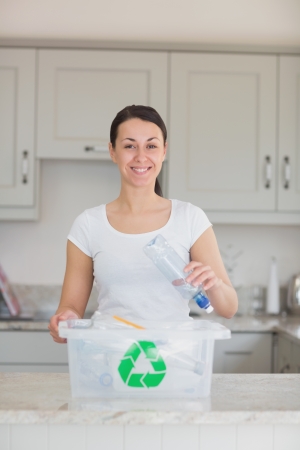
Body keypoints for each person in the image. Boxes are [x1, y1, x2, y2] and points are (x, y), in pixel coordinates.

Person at [49, 105, 238, 343]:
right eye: (129, 146)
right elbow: (70, 309)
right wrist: (65, 320)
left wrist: (214, 284)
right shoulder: (88, 225)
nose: (141, 156)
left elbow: (229, 308)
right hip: (112, 362)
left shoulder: (190, 218)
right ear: (112, 151)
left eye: (151, 146)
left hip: (175, 360)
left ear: (164, 151)